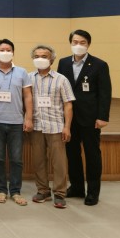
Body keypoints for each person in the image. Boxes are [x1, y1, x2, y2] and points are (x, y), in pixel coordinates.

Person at [57, 29, 112, 206]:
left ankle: (93, 192)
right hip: (69, 118)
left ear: (88, 44)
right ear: (70, 43)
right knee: (72, 153)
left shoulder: (99, 65)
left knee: (92, 155)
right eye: (75, 42)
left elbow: (105, 93)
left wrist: (102, 116)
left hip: (90, 118)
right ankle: (77, 187)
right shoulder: (63, 63)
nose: (78, 45)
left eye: (82, 42)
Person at [29, 44, 75, 209]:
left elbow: (68, 105)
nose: (40, 59)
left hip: (55, 126)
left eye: (44, 56)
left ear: (52, 59)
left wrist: (67, 127)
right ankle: (43, 190)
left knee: (59, 162)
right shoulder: (28, 78)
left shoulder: (61, 79)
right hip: (36, 126)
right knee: (39, 160)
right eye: (37, 56)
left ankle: (60, 193)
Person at [0, 39, 33, 206]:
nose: (5, 52)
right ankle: (1, 190)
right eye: (2, 50)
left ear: (13, 53)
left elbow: (28, 96)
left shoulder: (22, 72)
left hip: (16, 122)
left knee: (16, 159)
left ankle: (15, 191)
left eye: (8, 49)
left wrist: (28, 118)